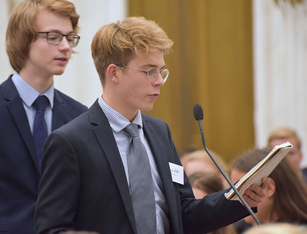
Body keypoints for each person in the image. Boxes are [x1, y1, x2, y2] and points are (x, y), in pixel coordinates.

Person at [35, 16, 267, 234]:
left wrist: (238, 196)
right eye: (149, 71)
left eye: (161, 71)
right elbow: (52, 228)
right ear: (114, 73)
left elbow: (184, 213)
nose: (159, 81)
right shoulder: (70, 142)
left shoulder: (159, 131)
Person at [0, 0, 88, 233]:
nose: (66, 46)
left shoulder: (79, 116)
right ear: (24, 38)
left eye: (70, 37)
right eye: (54, 37)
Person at [231, 147, 307, 227]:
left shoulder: (300, 229)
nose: (237, 200)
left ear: (269, 188)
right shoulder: (242, 227)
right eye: (234, 192)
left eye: (243, 191)